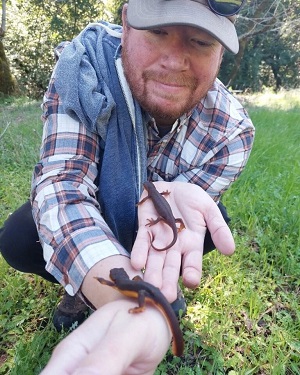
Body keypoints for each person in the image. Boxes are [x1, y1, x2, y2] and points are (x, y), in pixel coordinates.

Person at [0, 0, 255, 373]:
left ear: (220, 53)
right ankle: (80, 289)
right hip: (97, 211)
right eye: (157, 32)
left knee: (213, 224)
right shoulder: (84, 71)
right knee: (20, 235)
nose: (174, 61)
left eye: (200, 42)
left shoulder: (232, 131)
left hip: (154, 225)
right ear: (127, 24)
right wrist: (121, 300)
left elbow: (181, 220)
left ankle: (163, 283)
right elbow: (63, 187)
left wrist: (171, 218)